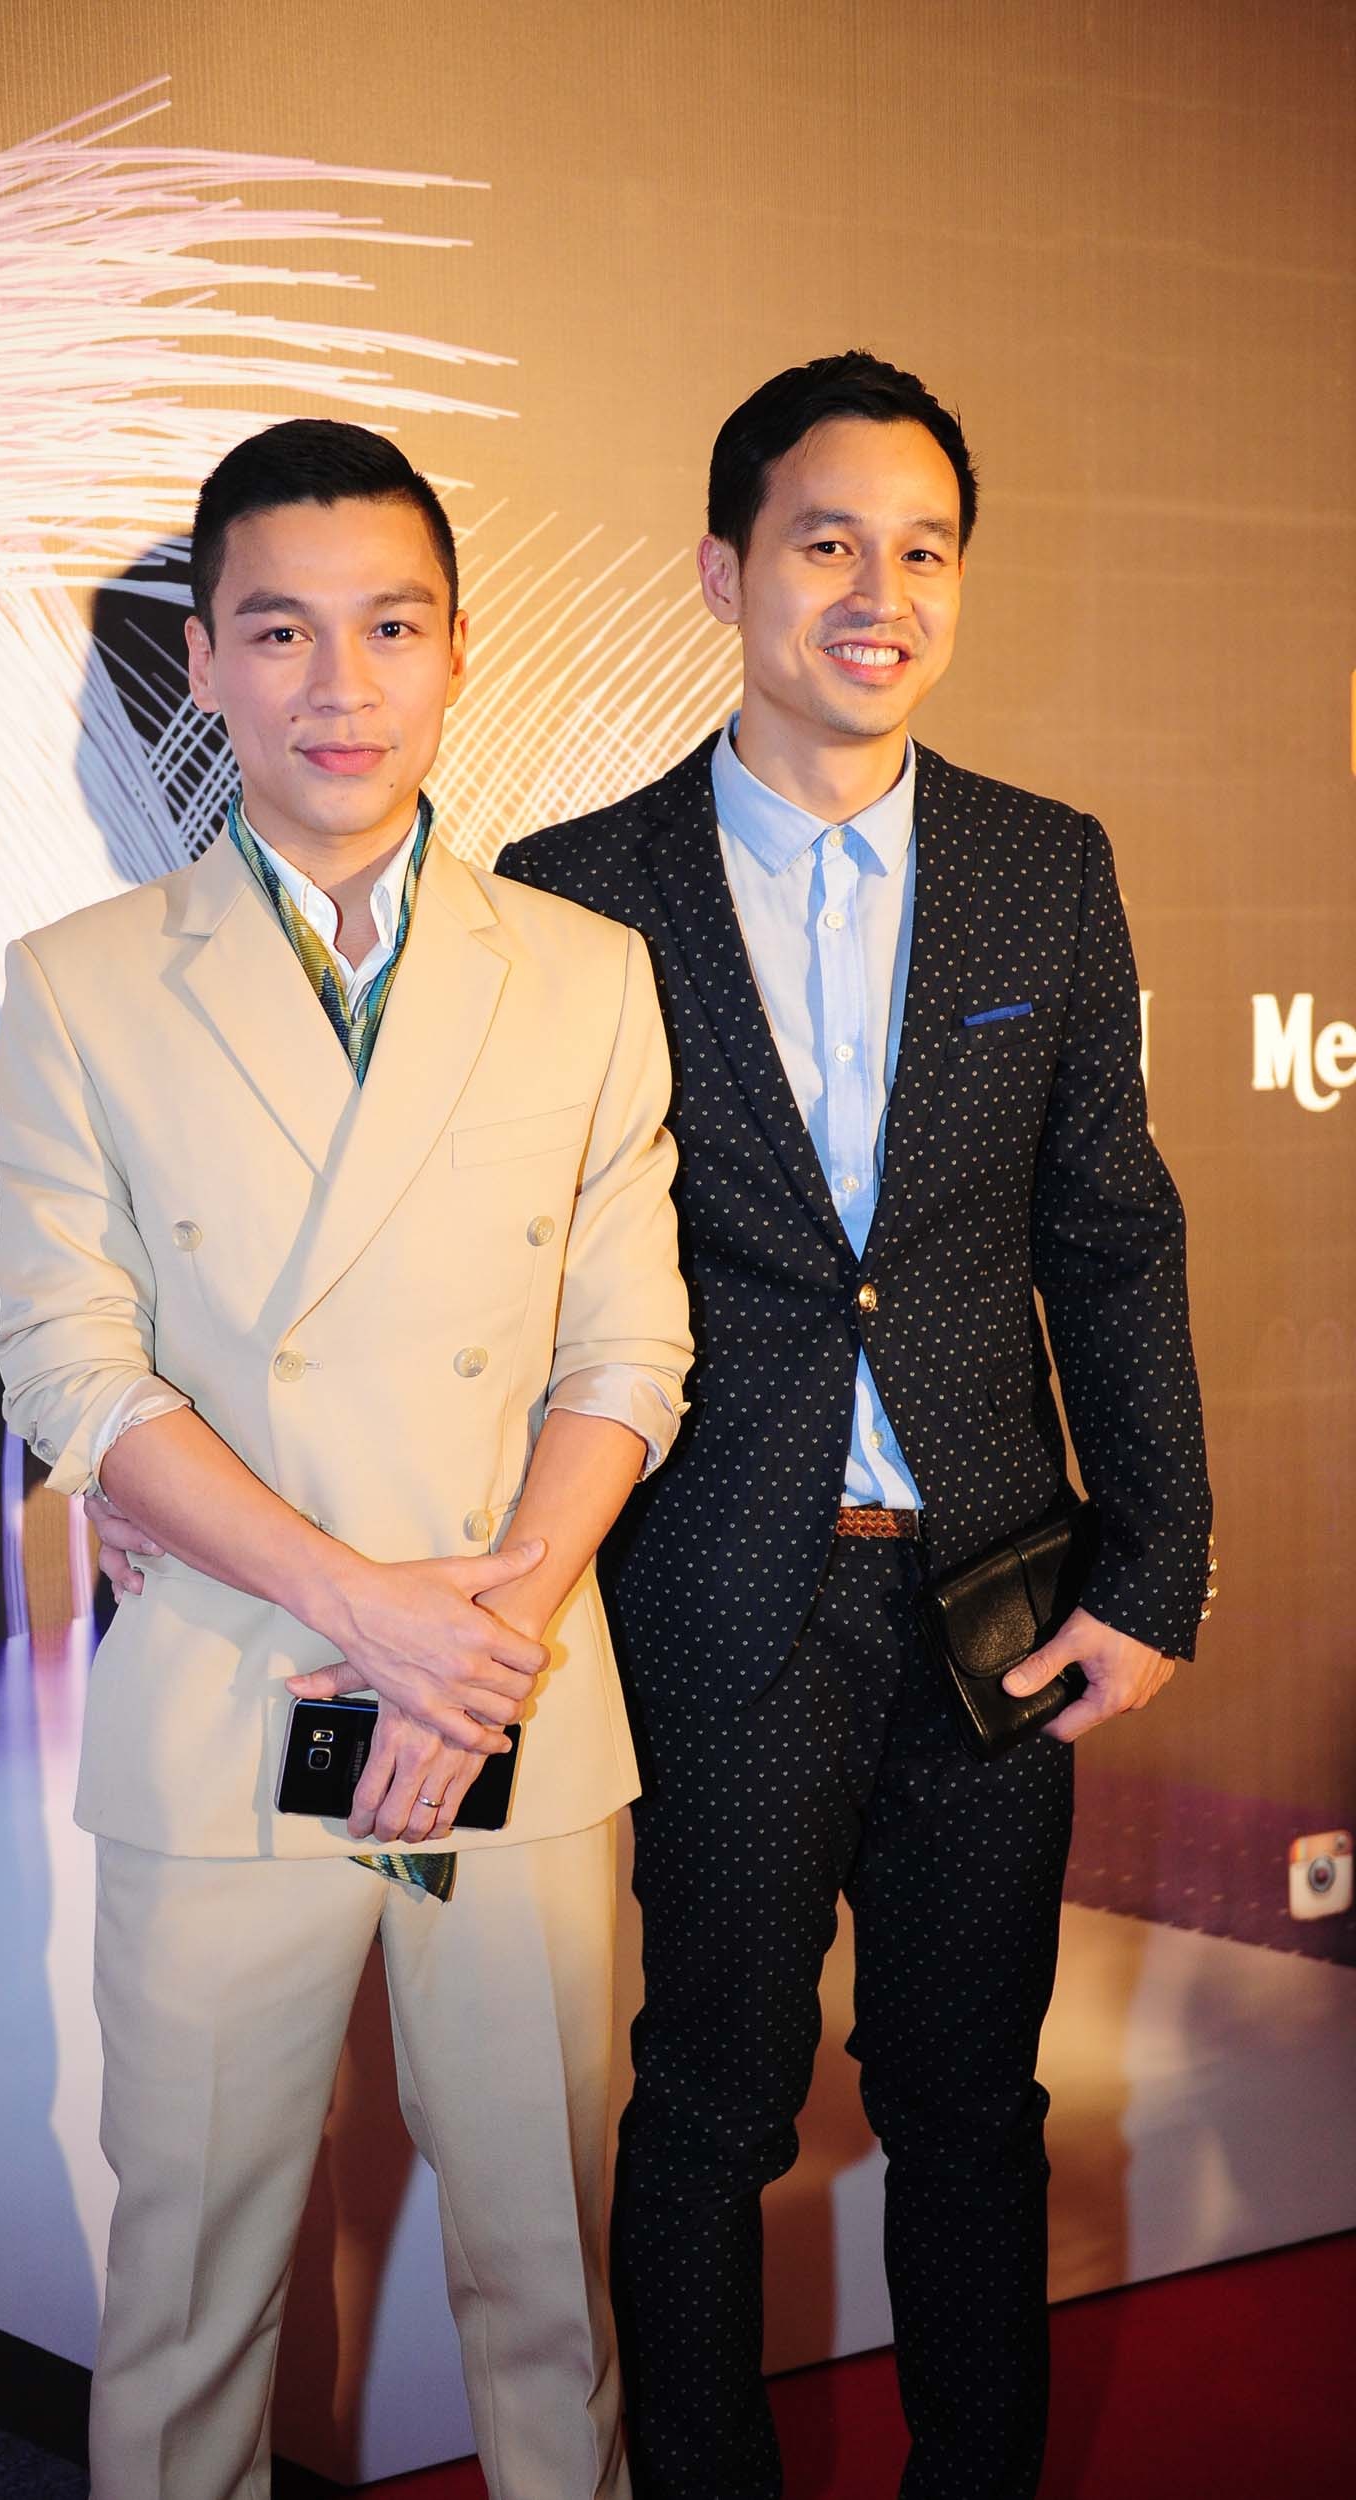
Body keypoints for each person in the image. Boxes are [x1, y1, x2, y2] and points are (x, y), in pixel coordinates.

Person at [494, 354, 1215, 2500]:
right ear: (727, 574)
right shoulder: (571, 887)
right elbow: (509, 1273)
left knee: (972, 2108)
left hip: (995, 1595)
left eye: (923, 551)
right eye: (826, 544)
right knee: (709, 2106)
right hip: (719, 1591)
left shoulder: (1040, 866)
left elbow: (1110, 1231)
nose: (878, 595)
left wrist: (1152, 1567)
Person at [0, 418, 691, 2500]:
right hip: (232, 1696)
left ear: (458, 648)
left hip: (508, 1702)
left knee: (549, 2281)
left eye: (390, 626)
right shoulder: (84, 983)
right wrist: (369, 1611)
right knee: (190, 2300)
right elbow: (69, 1364)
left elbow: (629, 1345)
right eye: (280, 630)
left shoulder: (583, 974)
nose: (339, 682)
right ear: (205, 661)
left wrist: (479, 1636)